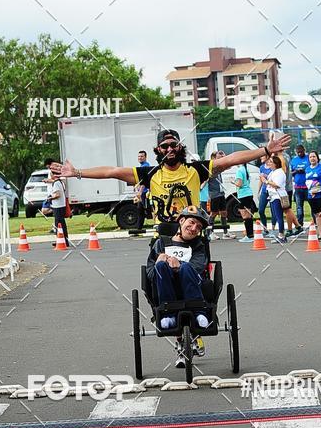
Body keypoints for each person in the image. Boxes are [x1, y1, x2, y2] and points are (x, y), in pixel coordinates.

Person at [52, 128, 291, 225]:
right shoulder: (149, 173)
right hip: (164, 234)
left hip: (193, 230)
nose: (169, 149)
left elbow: (231, 159)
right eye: (164, 146)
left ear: (180, 147)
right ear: (158, 150)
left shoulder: (196, 170)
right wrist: (77, 172)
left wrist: (265, 150)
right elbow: (111, 172)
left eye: (173, 145)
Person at [145, 205, 210, 367]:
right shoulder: (161, 243)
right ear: (181, 221)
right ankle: (169, 316)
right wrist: (160, 262)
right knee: (161, 265)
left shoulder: (198, 245)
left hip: (190, 286)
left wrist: (179, 264)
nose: (194, 228)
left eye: (198, 227)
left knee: (186, 267)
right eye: (191, 222)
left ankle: (198, 313)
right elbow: (150, 273)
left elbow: (198, 267)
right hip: (166, 289)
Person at [208, 151, 233, 238]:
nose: (220, 159)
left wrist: (224, 157)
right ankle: (210, 232)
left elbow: (228, 166)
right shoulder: (211, 168)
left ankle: (225, 232)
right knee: (214, 213)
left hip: (221, 193)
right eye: (218, 158)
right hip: (214, 194)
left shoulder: (219, 167)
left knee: (224, 212)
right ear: (214, 158)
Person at [305, 150, 321, 239]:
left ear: (317, 158)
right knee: (317, 215)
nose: (312, 158)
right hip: (311, 196)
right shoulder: (307, 169)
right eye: (310, 157)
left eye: (314, 156)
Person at [264, 155, 288, 242]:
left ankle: (281, 235)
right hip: (272, 196)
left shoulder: (279, 172)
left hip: (278, 196)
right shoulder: (273, 172)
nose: (269, 163)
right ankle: (280, 234)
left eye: (271, 162)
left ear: (275, 164)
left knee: (279, 216)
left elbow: (277, 185)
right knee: (276, 215)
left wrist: (266, 181)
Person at [234, 162, 257, 242]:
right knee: (248, 215)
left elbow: (239, 184)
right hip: (248, 193)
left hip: (243, 195)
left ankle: (249, 236)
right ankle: (250, 235)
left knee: (245, 216)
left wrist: (233, 182)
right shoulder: (245, 169)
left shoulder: (239, 170)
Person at [47, 171, 71, 247]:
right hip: (61, 205)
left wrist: (50, 198)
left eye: (51, 174)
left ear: (54, 175)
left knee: (59, 224)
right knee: (61, 224)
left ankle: (62, 241)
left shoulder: (56, 183)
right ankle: (62, 240)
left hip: (58, 206)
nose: (50, 176)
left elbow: (58, 195)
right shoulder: (60, 182)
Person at [290, 145, 309, 227]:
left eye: (301, 152)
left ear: (304, 150)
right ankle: (300, 224)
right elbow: (290, 173)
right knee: (299, 207)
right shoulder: (294, 160)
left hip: (308, 187)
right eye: (298, 152)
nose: (300, 154)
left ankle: (315, 222)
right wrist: (296, 171)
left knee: (312, 205)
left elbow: (312, 168)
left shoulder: (308, 158)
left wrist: (304, 171)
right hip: (298, 187)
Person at [258, 155, 274, 234]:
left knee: (273, 210)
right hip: (264, 191)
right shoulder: (261, 167)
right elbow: (261, 180)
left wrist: (266, 177)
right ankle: (265, 228)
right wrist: (258, 191)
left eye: (262, 156)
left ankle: (273, 228)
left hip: (271, 190)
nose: (260, 157)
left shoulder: (272, 167)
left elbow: (274, 179)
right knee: (261, 210)